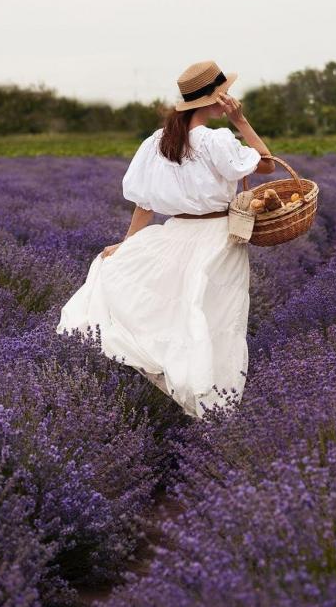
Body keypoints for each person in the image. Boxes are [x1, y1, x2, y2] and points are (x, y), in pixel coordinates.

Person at [55, 59, 275, 418]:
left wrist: (127, 245)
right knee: (217, 320)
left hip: (175, 234)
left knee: (175, 313)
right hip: (218, 241)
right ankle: (214, 408)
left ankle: (185, 386)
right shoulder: (217, 140)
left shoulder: (159, 140)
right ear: (216, 100)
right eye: (226, 94)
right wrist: (241, 121)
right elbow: (267, 164)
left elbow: (144, 205)